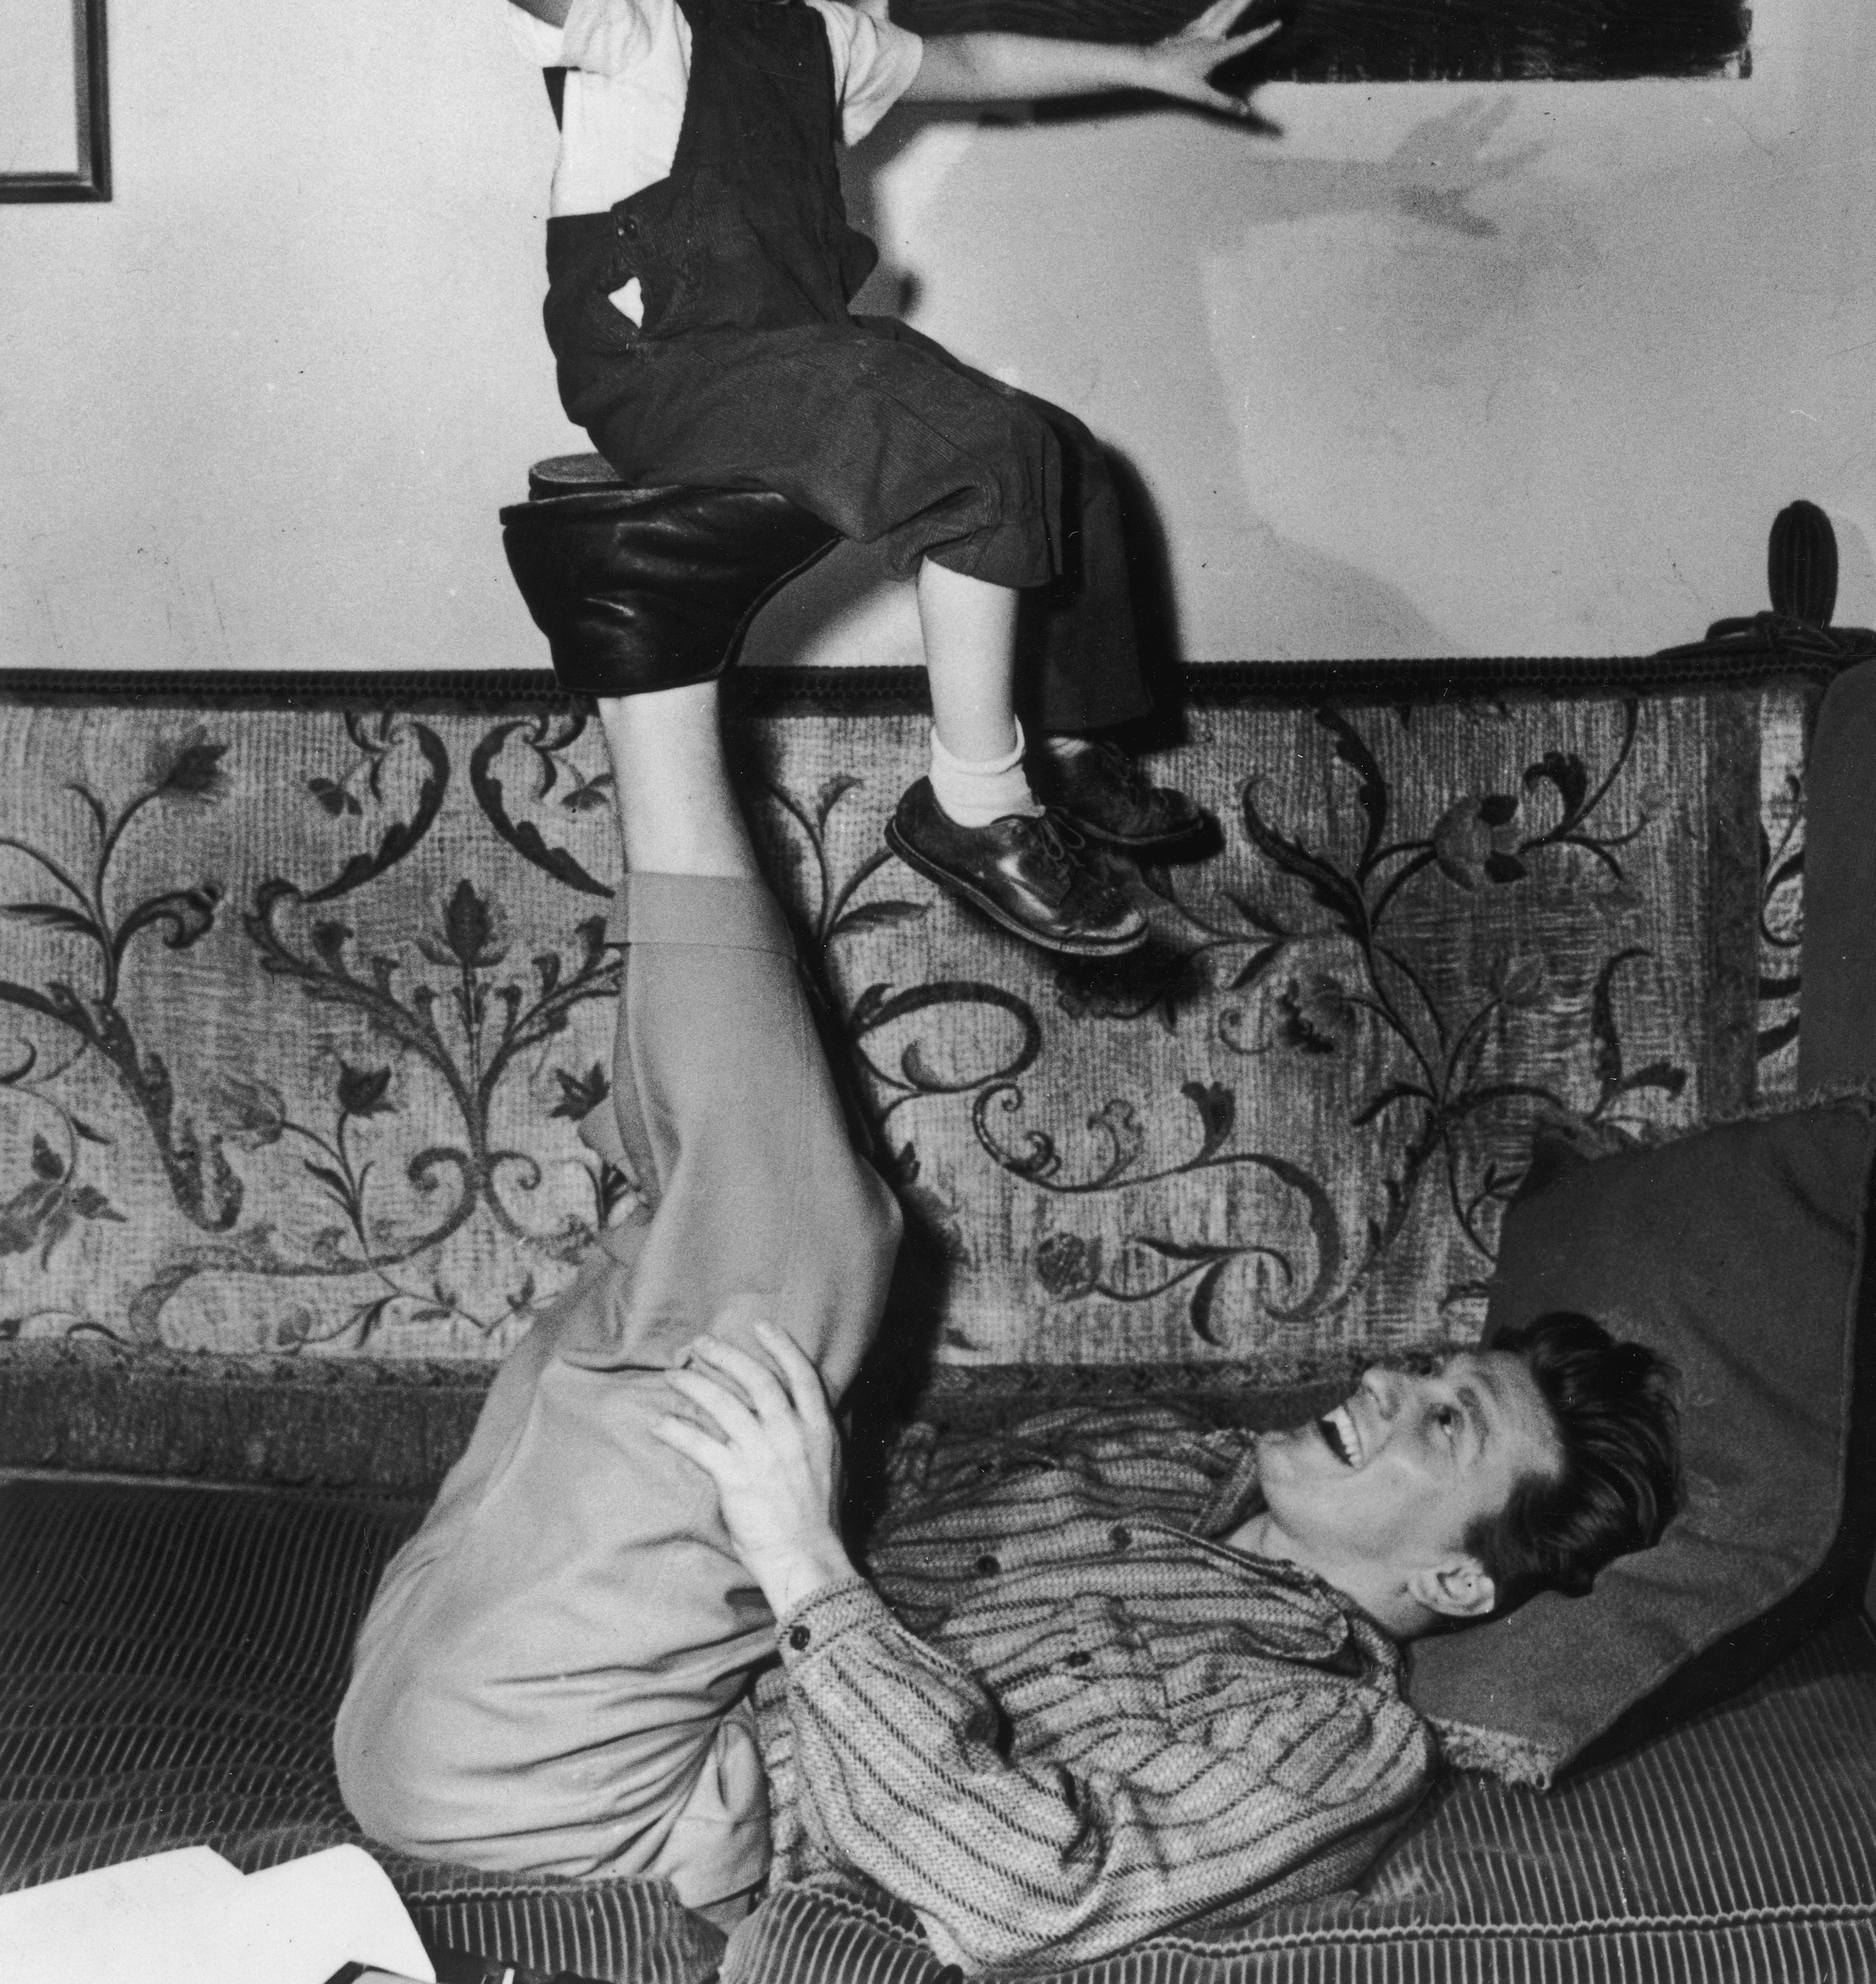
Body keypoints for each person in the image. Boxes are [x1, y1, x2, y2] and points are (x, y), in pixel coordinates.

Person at [333, 672, 1682, 1969]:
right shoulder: (1153, 1452)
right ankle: (649, 678)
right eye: (1431, 1361)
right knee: (746, 1245)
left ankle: (658, 686)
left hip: (576, 1790)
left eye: (1447, 1419)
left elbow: (1037, 1889)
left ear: (1456, 1579)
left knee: (813, 1240)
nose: (1391, 1378)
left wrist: (799, 1583)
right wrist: (809, 1517)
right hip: (552, 1646)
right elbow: (874, 1493)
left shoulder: (1339, 1735)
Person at [445, 0, 1284, 961]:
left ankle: (1065, 741)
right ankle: (974, 798)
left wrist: (1145, 61)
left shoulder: (826, 41)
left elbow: (971, 64)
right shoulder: (631, 7)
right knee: (964, 441)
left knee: (1052, 452)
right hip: (668, 368)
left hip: (792, 359)